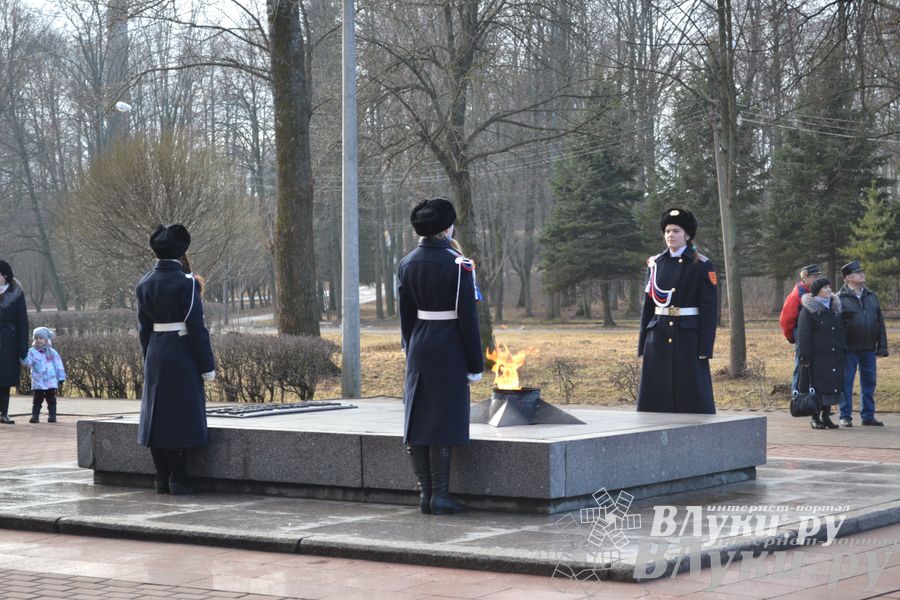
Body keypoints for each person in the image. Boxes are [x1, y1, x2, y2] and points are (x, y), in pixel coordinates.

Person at [398, 197, 483, 515]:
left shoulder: (406, 263)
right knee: (443, 417)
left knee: (418, 416)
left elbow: (406, 316)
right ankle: (441, 495)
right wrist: (475, 363)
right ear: (447, 229)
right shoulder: (459, 264)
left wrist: (410, 345)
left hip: (419, 343)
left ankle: (425, 495)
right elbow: (468, 318)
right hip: (449, 345)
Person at [136, 224, 216, 495]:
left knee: (157, 415)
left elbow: (143, 328)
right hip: (181, 351)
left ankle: (161, 477)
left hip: (157, 350)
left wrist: (149, 356)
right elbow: (195, 326)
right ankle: (179, 478)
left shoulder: (144, 282)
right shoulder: (186, 282)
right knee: (180, 415)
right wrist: (207, 365)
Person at [637, 208, 718, 414]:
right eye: (667, 231)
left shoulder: (701, 265)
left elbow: (709, 309)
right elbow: (649, 306)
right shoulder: (656, 263)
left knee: (690, 393)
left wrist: (705, 348)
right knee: (656, 395)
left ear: (687, 235)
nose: (670, 235)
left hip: (687, 336)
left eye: (676, 231)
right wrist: (642, 343)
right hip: (658, 334)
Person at [837, 260, 888, 427]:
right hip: (849, 349)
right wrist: (841, 347)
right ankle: (845, 416)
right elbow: (837, 327)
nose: (862, 274)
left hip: (868, 348)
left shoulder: (871, 296)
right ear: (848, 278)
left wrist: (881, 346)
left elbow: (879, 322)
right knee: (846, 382)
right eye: (858, 272)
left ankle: (868, 416)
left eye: (861, 271)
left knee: (869, 382)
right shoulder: (839, 298)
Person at [796, 277, 845, 430]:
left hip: (833, 355)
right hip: (817, 356)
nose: (829, 290)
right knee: (816, 387)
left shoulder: (834, 309)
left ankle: (826, 415)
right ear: (817, 291)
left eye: (830, 287)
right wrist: (805, 357)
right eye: (825, 288)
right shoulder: (808, 311)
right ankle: (815, 417)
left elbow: (841, 331)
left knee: (830, 386)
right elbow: (804, 335)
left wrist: (843, 347)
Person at [780, 264, 822, 393]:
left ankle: (813, 403)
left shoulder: (816, 293)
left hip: (815, 338)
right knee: (801, 369)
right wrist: (794, 337)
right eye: (815, 277)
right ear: (805, 278)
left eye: (818, 276)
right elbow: (786, 321)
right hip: (803, 338)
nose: (818, 279)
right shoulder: (795, 296)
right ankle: (797, 400)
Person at [0, 260, 29, 425]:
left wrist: (22, 350)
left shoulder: (17, 293)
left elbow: (22, 321)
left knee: (4, 380)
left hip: (8, 343)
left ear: (4, 276)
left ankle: (4, 413)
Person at [21, 327, 66, 423]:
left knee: (51, 399)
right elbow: (28, 363)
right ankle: (35, 416)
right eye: (36, 338)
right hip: (38, 381)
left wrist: (61, 377)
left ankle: (52, 416)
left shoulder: (52, 352)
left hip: (51, 380)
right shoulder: (32, 352)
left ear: (46, 340)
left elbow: (58, 365)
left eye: (41, 338)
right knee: (37, 399)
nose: (38, 340)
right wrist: (23, 358)